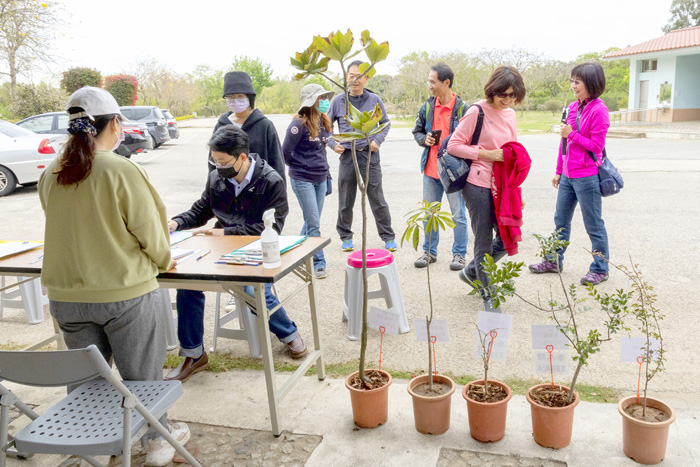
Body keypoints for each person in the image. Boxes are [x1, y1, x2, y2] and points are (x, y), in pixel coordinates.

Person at [38, 87, 189, 466]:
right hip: (127, 294)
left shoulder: (51, 173)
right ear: (115, 124)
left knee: (86, 383)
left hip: (68, 297)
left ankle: (97, 445)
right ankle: (155, 442)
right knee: (142, 377)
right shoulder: (121, 168)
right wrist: (163, 260)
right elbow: (151, 233)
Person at [165, 126, 308, 384]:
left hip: (255, 250)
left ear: (243, 157)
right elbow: (200, 211)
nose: (217, 167)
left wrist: (226, 232)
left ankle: (289, 334)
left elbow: (272, 228)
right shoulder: (216, 178)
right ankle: (193, 355)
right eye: (214, 161)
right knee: (187, 283)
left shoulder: (271, 180)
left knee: (252, 290)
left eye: (222, 162)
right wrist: (175, 223)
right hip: (219, 247)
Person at [447, 66, 526, 313]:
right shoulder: (476, 111)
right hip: (478, 185)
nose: (508, 99)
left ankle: (471, 272)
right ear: (493, 90)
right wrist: (485, 153)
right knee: (483, 242)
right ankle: (488, 294)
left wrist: (516, 193)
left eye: (513, 95)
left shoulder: (510, 114)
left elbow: (511, 153)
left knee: (505, 238)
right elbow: (453, 145)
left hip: (503, 187)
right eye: (503, 94)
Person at [528, 62, 610, 286]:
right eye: (572, 81)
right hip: (567, 175)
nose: (573, 86)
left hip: (587, 175)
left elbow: (596, 145)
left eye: (578, 82)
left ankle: (600, 269)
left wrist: (572, 134)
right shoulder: (573, 107)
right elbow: (563, 143)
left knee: (593, 224)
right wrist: (558, 171)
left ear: (591, 83)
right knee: (561, 221)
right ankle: (554, 260)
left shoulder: (599, 110)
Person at [327, 60, 396, 251]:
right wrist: (333, 144)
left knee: (377, 198)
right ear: (346, 77)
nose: (354, 79)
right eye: (351, 75)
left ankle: (388, 236)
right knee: (346, 199)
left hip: (370, 155)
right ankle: (345, 236)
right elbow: (323, 127)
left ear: (366, 78)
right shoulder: (338, 101)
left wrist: (378, 140)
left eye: (359, 76)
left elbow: (385, 123)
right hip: (348, 156)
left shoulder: (375, 100)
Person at [412, 62, 470, 271]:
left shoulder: (464, 109)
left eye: (432, 81)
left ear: (446, 83)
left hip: (453, 173)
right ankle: (429, 252)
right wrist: (423, 139)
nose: (429, 85)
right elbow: (417, 131)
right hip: (430, 170)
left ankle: (459, 255)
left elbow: (472, 138)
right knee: (430, 214)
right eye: (429, 81)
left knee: (458, 215)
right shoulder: (427, 107)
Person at [282, 83, 335, 279]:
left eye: (325, 98)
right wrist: (301, 165)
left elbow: (325, 145)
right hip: (302, 179)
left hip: (321, 178)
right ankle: (318, 263)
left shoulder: (323, 122)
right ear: (311, 102)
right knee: (314, 224)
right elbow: (285, 153)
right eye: (321, 99)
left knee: (312, 221)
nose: (325, 102)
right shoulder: (297, 126)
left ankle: (294, 248)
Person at [207, 71, 285, 182]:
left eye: (240, 96)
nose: (235, 100)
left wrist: (279, 191)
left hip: (259, 188)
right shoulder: (221, 125)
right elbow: (213, 161)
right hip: (227, 189)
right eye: (230, 97)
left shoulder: (264, 125)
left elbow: (277, 161)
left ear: (249, 97)